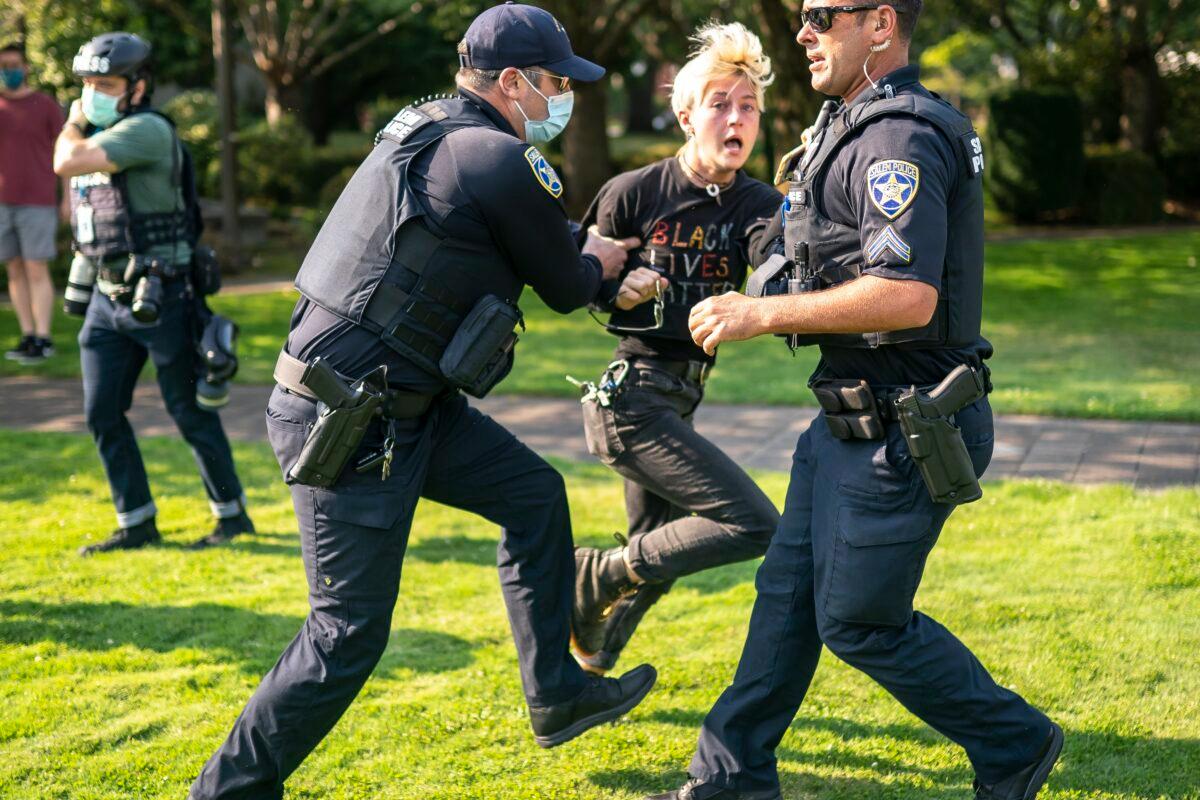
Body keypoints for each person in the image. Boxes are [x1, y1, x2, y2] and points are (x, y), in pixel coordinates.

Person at [188, 5, 662, 797]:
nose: (562, 97)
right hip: (351, 421)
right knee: (345, 634)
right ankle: (225, 792)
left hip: (401, 404)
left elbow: (488, 237)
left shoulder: (427, 131)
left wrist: (583, 248)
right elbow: (561, 284)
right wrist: (604, 261)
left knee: (534, 496)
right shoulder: (503, 157)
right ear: (511, 82)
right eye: (554, 83)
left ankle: (557, 694)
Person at [647, 3, 1062, 799]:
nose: (802, 32)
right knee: (785, 602)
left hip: (906, 427)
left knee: (859, 624)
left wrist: (759, 314)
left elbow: (906, 295)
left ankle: (1016, 742)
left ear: (878, 25)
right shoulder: (852, 122)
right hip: (846, 420)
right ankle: (730, 777)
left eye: (820, 15)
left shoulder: (898, 136)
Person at [571, 22, 782, 677]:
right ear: (687, 116)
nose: (735, 117)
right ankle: (591, 574)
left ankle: (588, 665)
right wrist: (617, 292)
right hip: (628, 398)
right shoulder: (634, 193)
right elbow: (580, 279)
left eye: (748, 106)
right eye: (720, 104)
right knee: (752, 523)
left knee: (659, 550)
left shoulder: (759, 204)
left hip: (680, 398)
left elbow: (773, 267)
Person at [53, 32, 254, 554]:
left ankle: (232, 518)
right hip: (106, 296)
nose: (93, 93)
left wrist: (74, 119)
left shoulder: (143, 130)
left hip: (160, 296)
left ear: (139, 86)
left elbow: (65, 162)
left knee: (188, 411)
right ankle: (136, 521)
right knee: (101, 414)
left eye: (106, 84)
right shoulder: (105, 134)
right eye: (88, 84)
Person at [0, 42, 66, 365]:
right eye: (4, 65)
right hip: (2, 203)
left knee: (36, 267)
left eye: (14, 64)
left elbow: (66, 154)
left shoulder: (46, 105)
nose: (9, 71)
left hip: (38, 200)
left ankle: (44, 337)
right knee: (14, 268)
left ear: (26, 67)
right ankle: (27, 334)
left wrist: (68, 198)